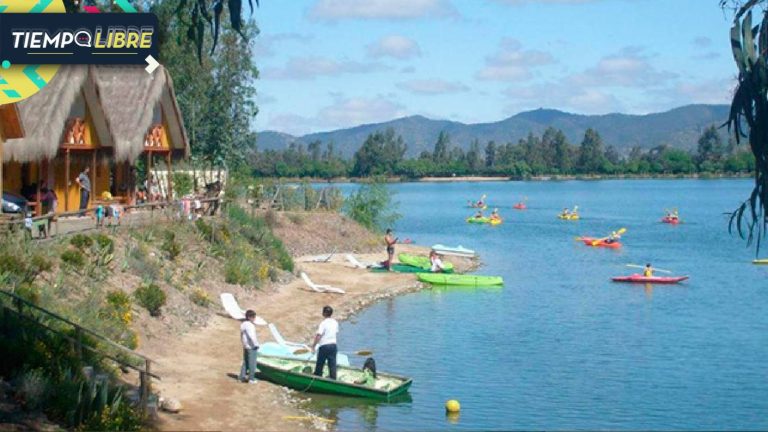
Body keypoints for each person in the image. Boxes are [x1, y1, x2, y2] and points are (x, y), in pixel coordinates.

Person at [312, 305, 339, 380]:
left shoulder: (323, 323)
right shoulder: (335, 322)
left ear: (323, 313)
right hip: (333, 345)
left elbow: (319, 335)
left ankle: (317, 377)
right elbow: (335, 333)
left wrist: (313, 345)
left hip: (324, 346)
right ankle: (333, 379)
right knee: (332, 364)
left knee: (320, 364)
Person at [239, 309, 260, 384]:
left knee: (246, 362)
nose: (254, 318)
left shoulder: (243, 324)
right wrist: (256, 344)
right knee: (252, 363)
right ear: (249, 317)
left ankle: (241, 377)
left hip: (246, 346)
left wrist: (244, 344)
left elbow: (242, 336)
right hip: (251, 347)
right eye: (253, 317)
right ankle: (251, 379)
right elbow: (252, 336)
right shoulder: (250, 325)